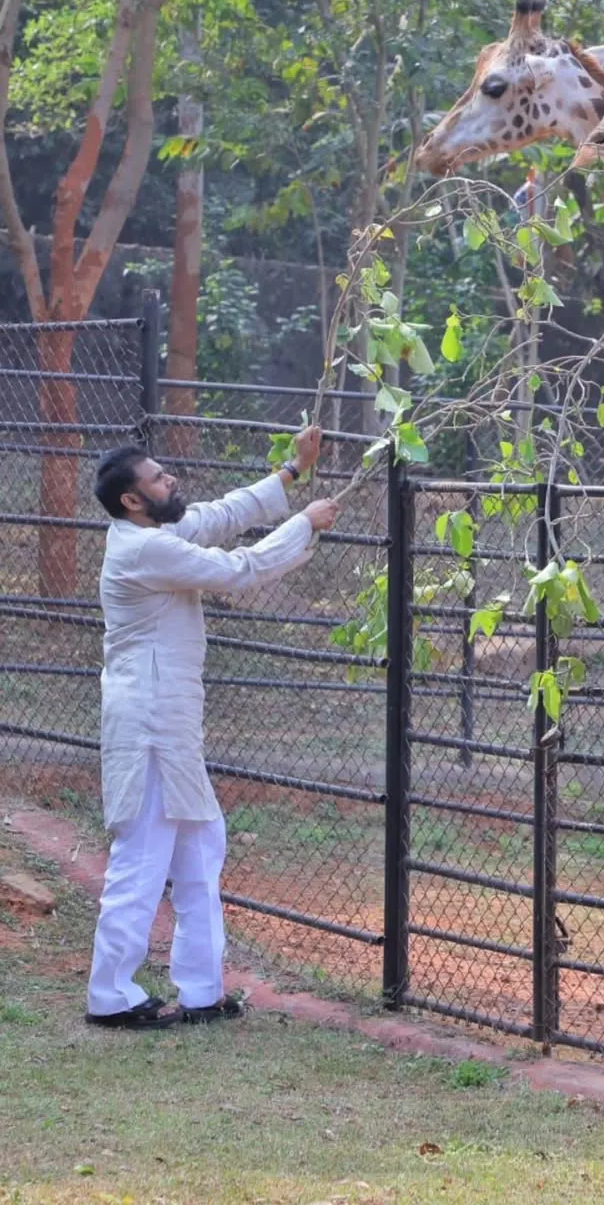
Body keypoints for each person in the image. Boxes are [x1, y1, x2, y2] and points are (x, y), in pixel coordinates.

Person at [85, 426, 339, 1029]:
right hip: (148, 728)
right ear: (132, 500)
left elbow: (225, 514)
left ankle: (201, 991)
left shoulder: (157, 531)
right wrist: (304, 523)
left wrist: (292, 472)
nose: (168, 479)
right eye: (156, 478)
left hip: (171, 727)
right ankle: (109, 995)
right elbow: (238, 569)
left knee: (200, 853)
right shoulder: (143, 550)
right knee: (142, 860)